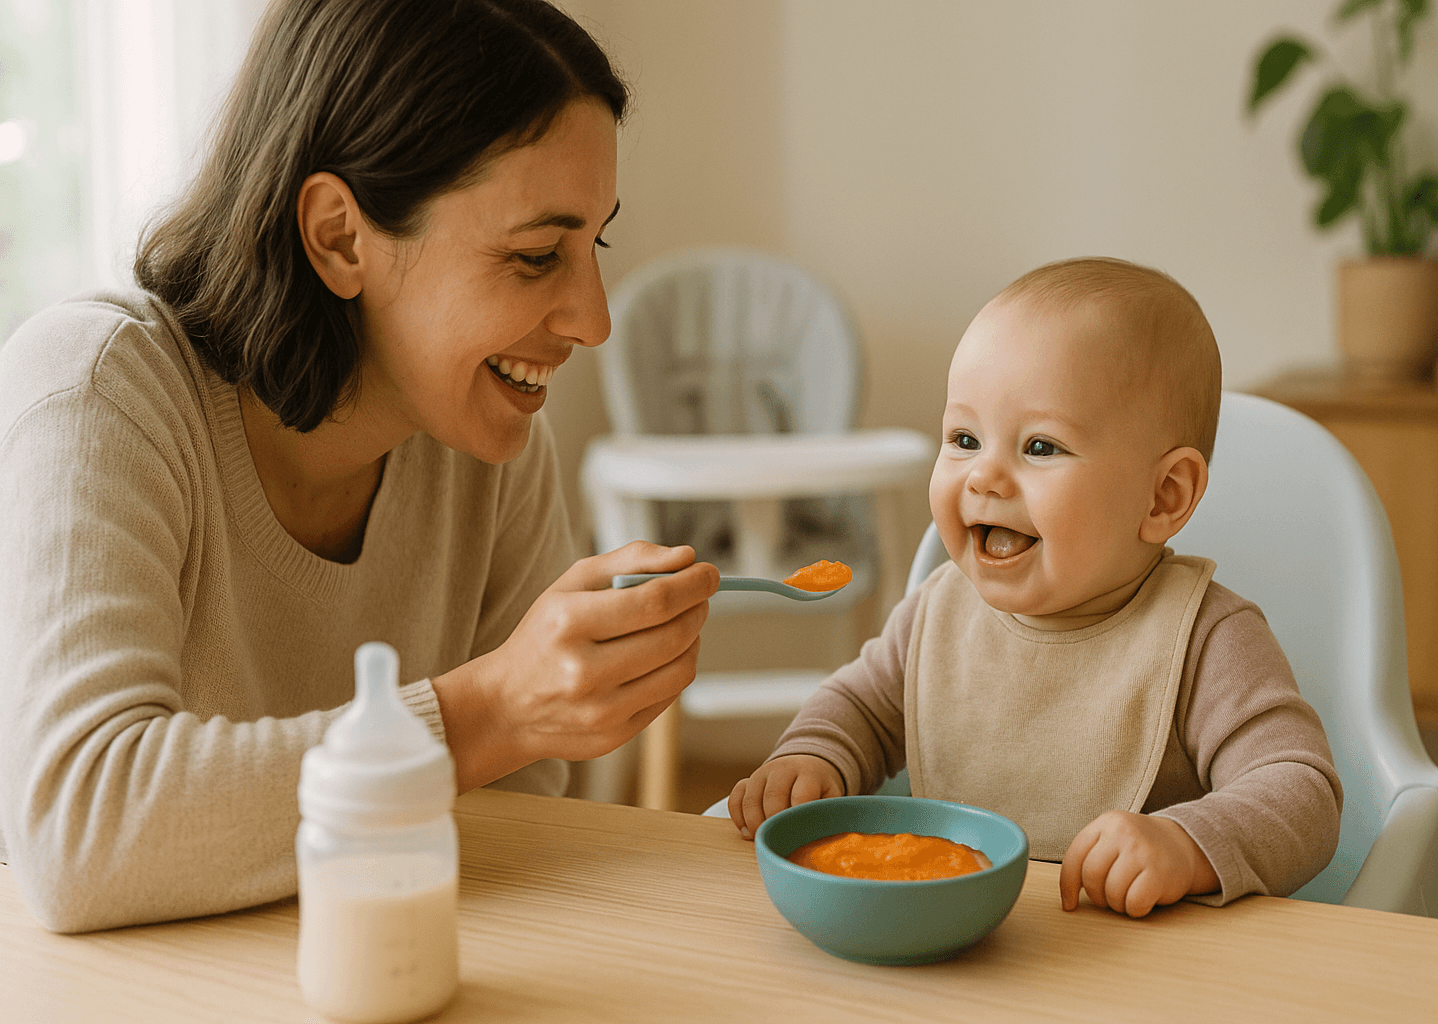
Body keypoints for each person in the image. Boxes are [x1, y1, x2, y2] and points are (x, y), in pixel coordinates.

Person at [0, 0, 719, 934]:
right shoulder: (101, 391)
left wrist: (521, 726)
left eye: (595, 245)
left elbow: (513, 816)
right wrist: (487, 711)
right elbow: (80, 830)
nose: (593, 319)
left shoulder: (489, 445)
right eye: (538, 255)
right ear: (340, 236)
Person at [729, 257, 1343, 919]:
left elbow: (1301, 792)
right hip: (954, 936)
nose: (984, 477)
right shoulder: (938, 612)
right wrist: (815, 757)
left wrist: (1185, 843)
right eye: (964, 438)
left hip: (1129, 962)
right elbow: (862, 708)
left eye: (1041, 447)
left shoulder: (1205, 639)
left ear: (1163, 496)